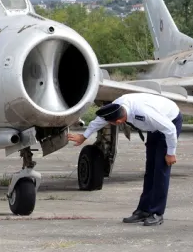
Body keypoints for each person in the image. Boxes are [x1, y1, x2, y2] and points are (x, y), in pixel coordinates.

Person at [67, 93, 183, 226]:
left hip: (169, 122)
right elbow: (100, 120)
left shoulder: (146, 114)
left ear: (118, 122)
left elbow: (170, 129)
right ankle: (144, 210)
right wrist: (84, 137)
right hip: (154, 127)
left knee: (161, 170)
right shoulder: (117, 107)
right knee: (150, 169)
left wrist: (171, 153)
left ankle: (157, 212)